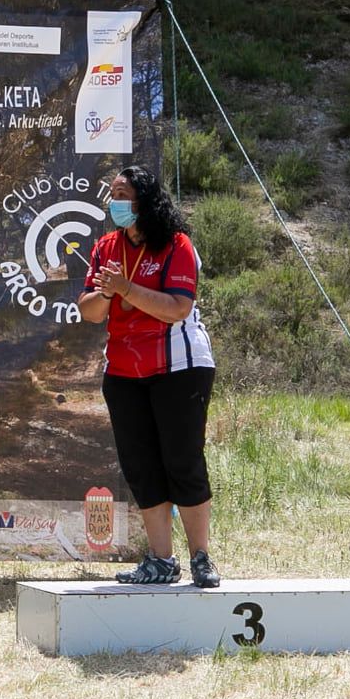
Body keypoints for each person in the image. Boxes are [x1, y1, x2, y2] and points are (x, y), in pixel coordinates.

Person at [76, 165, 221, 588]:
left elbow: (177, 308)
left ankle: (201, 558)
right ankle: (161, 560)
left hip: (180, 367)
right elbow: (89, 312)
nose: (114, 200)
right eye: (112, 192)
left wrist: (125, 288)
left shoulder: (176, 245)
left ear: (144, 200)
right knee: (141, 467)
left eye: (122, 192)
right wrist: (106, 292)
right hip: (123, 371)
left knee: (182, 461)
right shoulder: (106, 246)